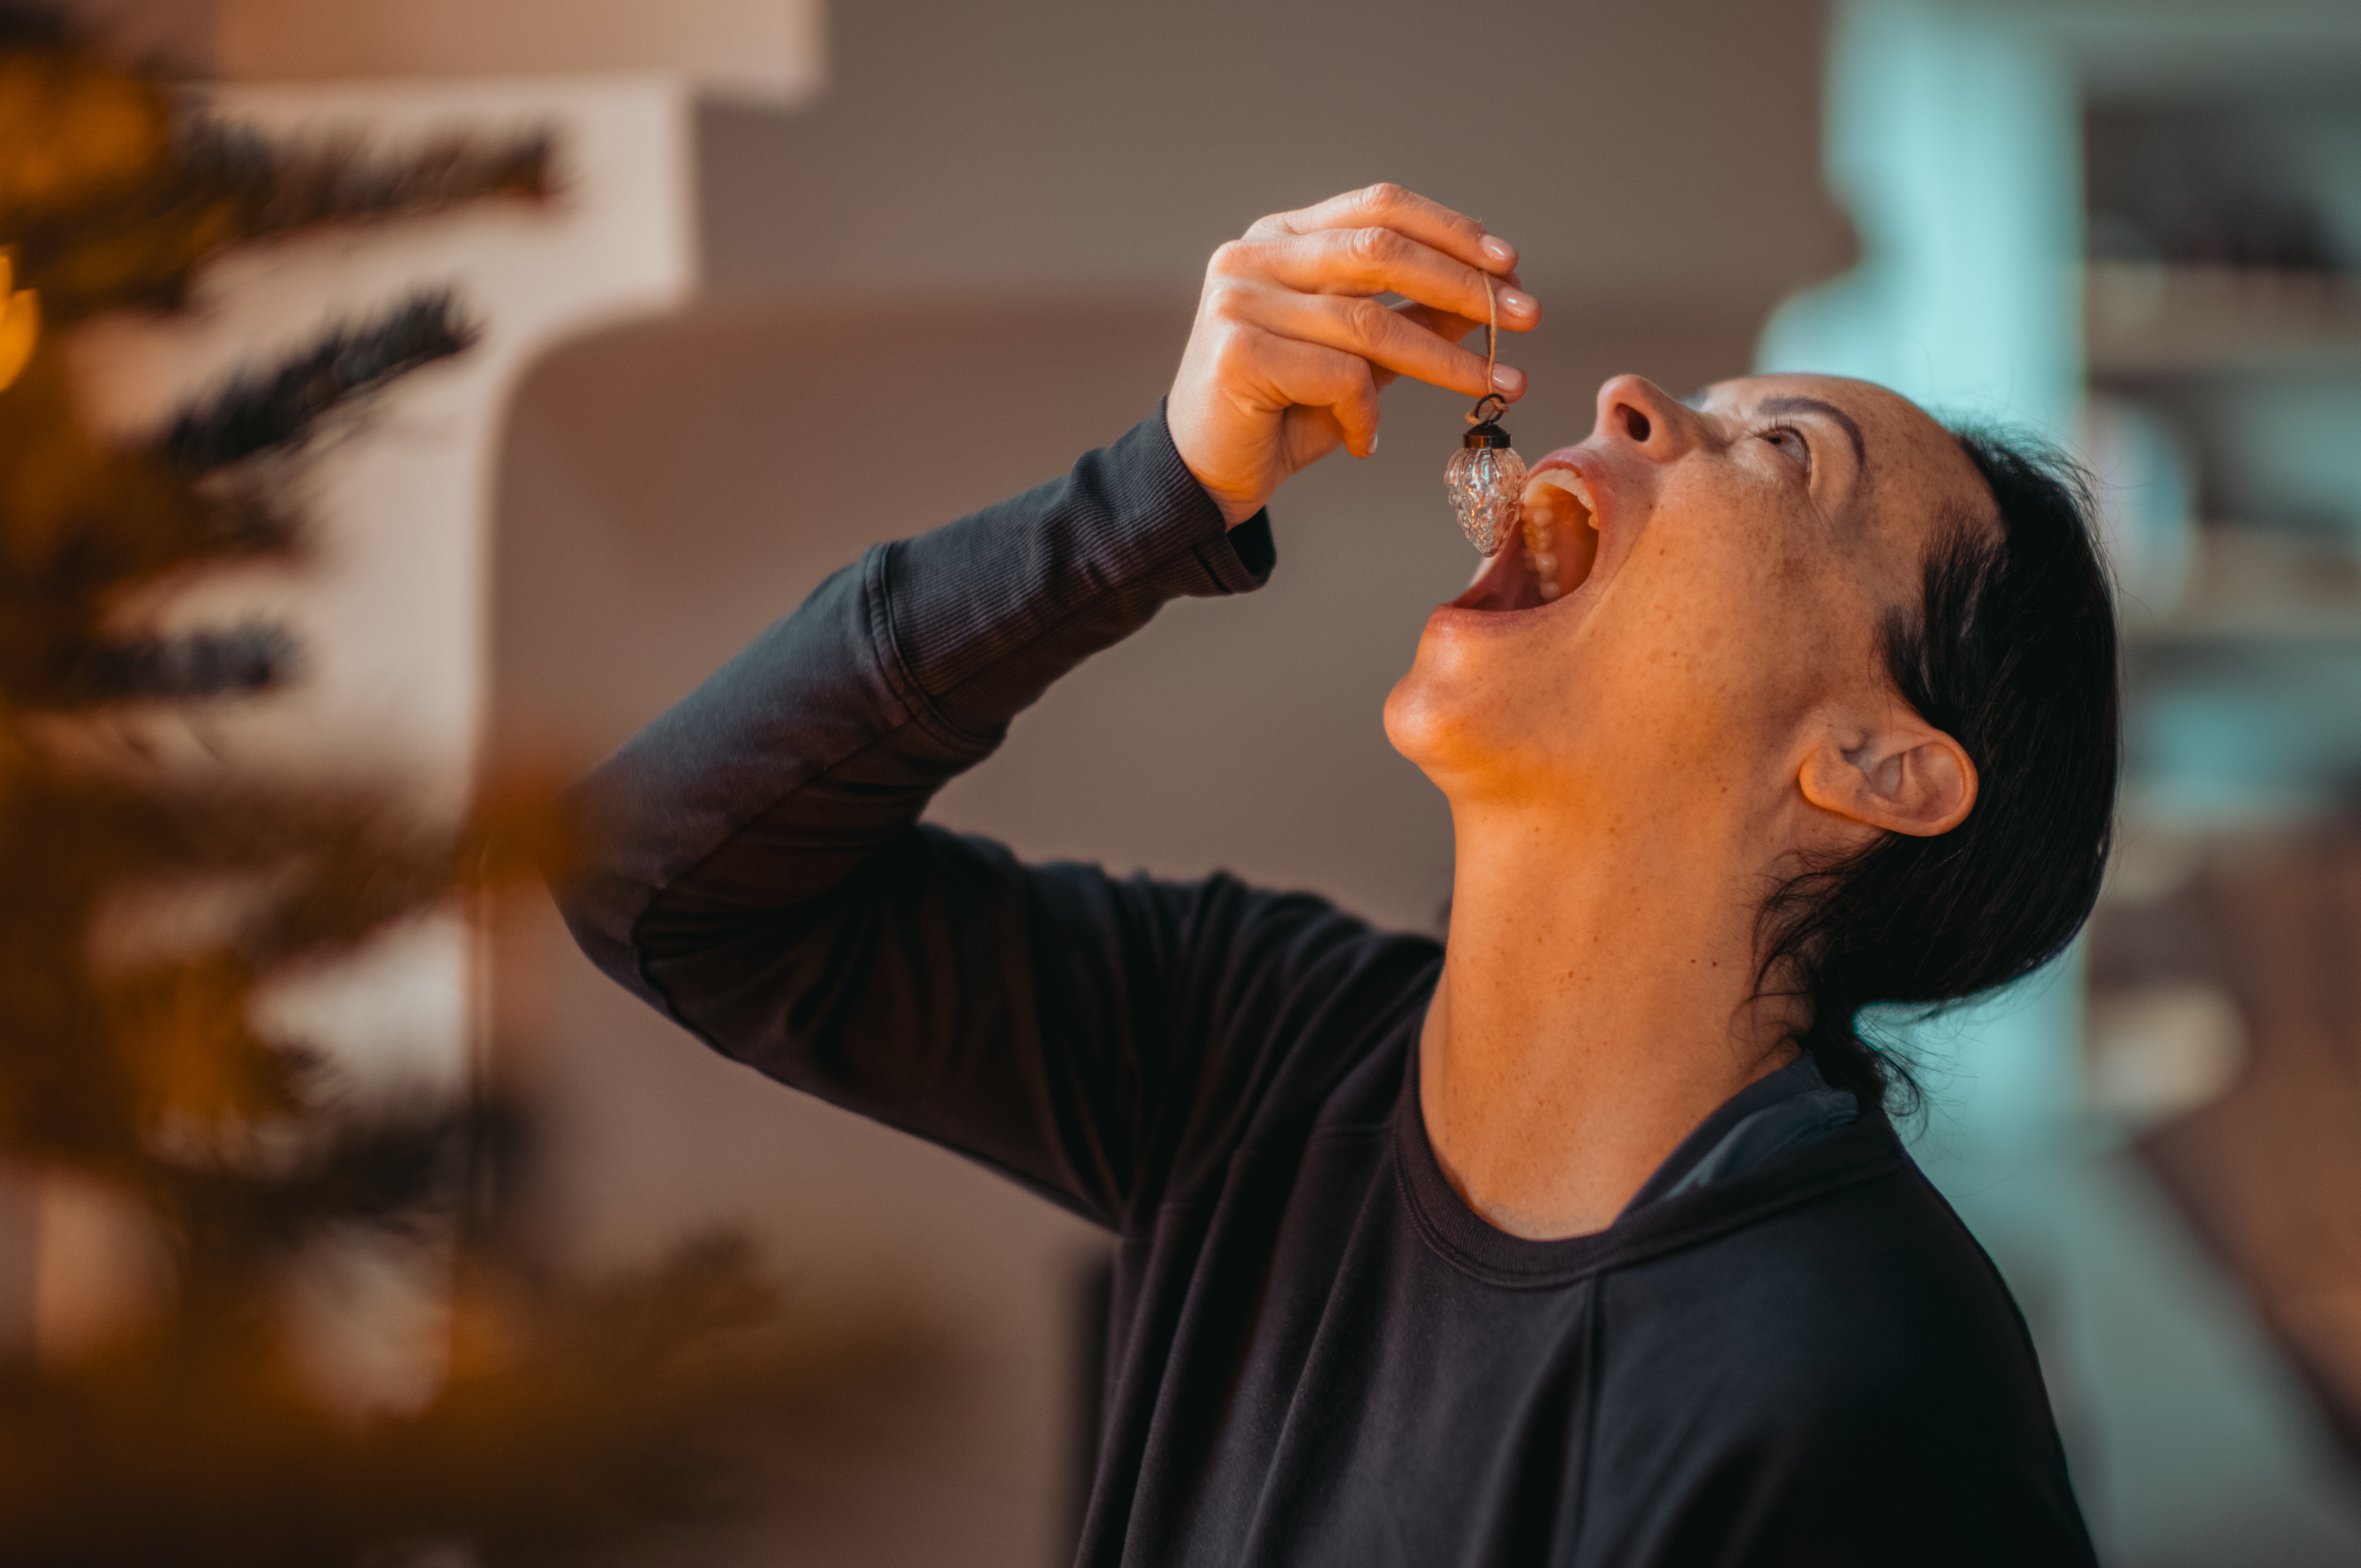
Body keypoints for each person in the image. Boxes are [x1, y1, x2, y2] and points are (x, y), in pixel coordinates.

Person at [556, 183, 2112, 1565]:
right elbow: (655, 874)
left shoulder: (1865, 1392)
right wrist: (1151, 495)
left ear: (1878, 766)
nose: (1634, 399)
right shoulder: (1263, 1049)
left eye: (1780, 450)